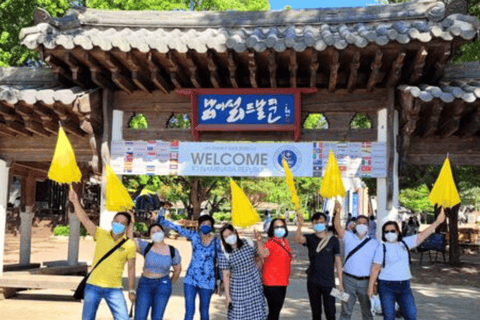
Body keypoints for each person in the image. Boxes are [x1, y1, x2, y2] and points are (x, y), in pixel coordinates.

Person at [69, 188, 136, 320]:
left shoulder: (129, 245)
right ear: (112, 222)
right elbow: (85, 220)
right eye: (116, 221)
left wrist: (132, 290)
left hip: (114, 288)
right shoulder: (101, 234)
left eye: (122, 223)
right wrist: (75, 202)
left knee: (123, 318)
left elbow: (132, 268)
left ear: (127, 227)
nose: (118, 225)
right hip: (93, 285)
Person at [368, 208, 446, 320]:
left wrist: (437, 222)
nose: (390, 234)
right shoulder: (382, 247)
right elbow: (375, 268)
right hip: (386, 286)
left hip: (404, 286)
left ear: (398, 232)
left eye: (393, 231)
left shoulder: (404, 243)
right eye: (387, 231)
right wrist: (370, 287)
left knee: (411, 314)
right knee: (389, 316)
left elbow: (422, 235)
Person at [157, 214, 222, 320]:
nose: (206, 226)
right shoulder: (194, 235)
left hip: (208, 281)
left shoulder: (216, 241)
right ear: (199, 225)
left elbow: (220, 260)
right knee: (189, 311)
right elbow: (177, 228)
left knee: (204, 311)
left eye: (208, 224)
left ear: (212, 226)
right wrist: (162, 221)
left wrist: (221, 280)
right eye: (203, 223)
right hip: (191, 279)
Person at [333, 202, 380, 320]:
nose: (361, 226)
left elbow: (376, 266)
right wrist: (337, 212)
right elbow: (337, 226)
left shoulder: (374, 244)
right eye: (359, 223)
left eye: (364, 224)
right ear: (354, 225)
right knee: (345, 312)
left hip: (366, 282)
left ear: (368, 226)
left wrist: (373, 284)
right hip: (348, 280)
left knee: (368, 313)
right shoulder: (348, 236)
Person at [127, 223, 182, 320]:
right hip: (145, 284)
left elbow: (177, 270)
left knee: (157, 317)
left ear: (163, 232)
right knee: (140, 316)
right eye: (153, 232)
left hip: (163, 285)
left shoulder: (172, 250)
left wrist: (169, 283)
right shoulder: (146, 247)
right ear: (150, 235)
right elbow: (130, 241)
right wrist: (131, 223)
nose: (156, 233)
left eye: (158, 231)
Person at [295, 210, 343, 320]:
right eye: (317, 222)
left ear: (326, 223)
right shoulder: (310, 238)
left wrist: (340, 283)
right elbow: (297, 239)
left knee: (331, 312)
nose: (319, 224)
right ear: (312, 224)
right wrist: (299, 225)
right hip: (313, 281)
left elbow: (338, 262)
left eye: (322, 221)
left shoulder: (333, 240)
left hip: (329, 282)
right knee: (316, 313)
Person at [219, 224, 267, 320]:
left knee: (256, 314)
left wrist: (259, 239)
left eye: (230, 234)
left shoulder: (248, 242)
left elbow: (261, 255)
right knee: (238, 315)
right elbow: (226, 275)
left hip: (254, 284)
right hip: (238, 288)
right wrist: (227, 296)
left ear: (235, 232)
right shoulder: (225, 254)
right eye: (225, 236)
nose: (229, 237)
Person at [255, 218, 292, 320]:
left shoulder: (285, 242)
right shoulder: (270, 243)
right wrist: (258, 240)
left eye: (282, 226)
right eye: (276, 227)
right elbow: (263, 253)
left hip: (283, 282)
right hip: (271, 283)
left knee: (275, 313)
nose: (279, 229)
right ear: (272, 229)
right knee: (274, 313)